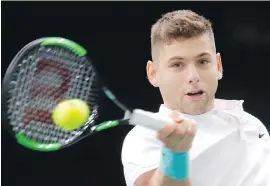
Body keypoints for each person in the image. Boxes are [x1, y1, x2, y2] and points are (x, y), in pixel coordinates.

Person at [121, 10, 270, 186]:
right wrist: (175, 153)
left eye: (203, 61)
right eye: (177, 64)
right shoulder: (143, 138)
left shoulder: (252, 124)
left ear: (218, 66)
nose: (193, 76)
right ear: (153, 73)